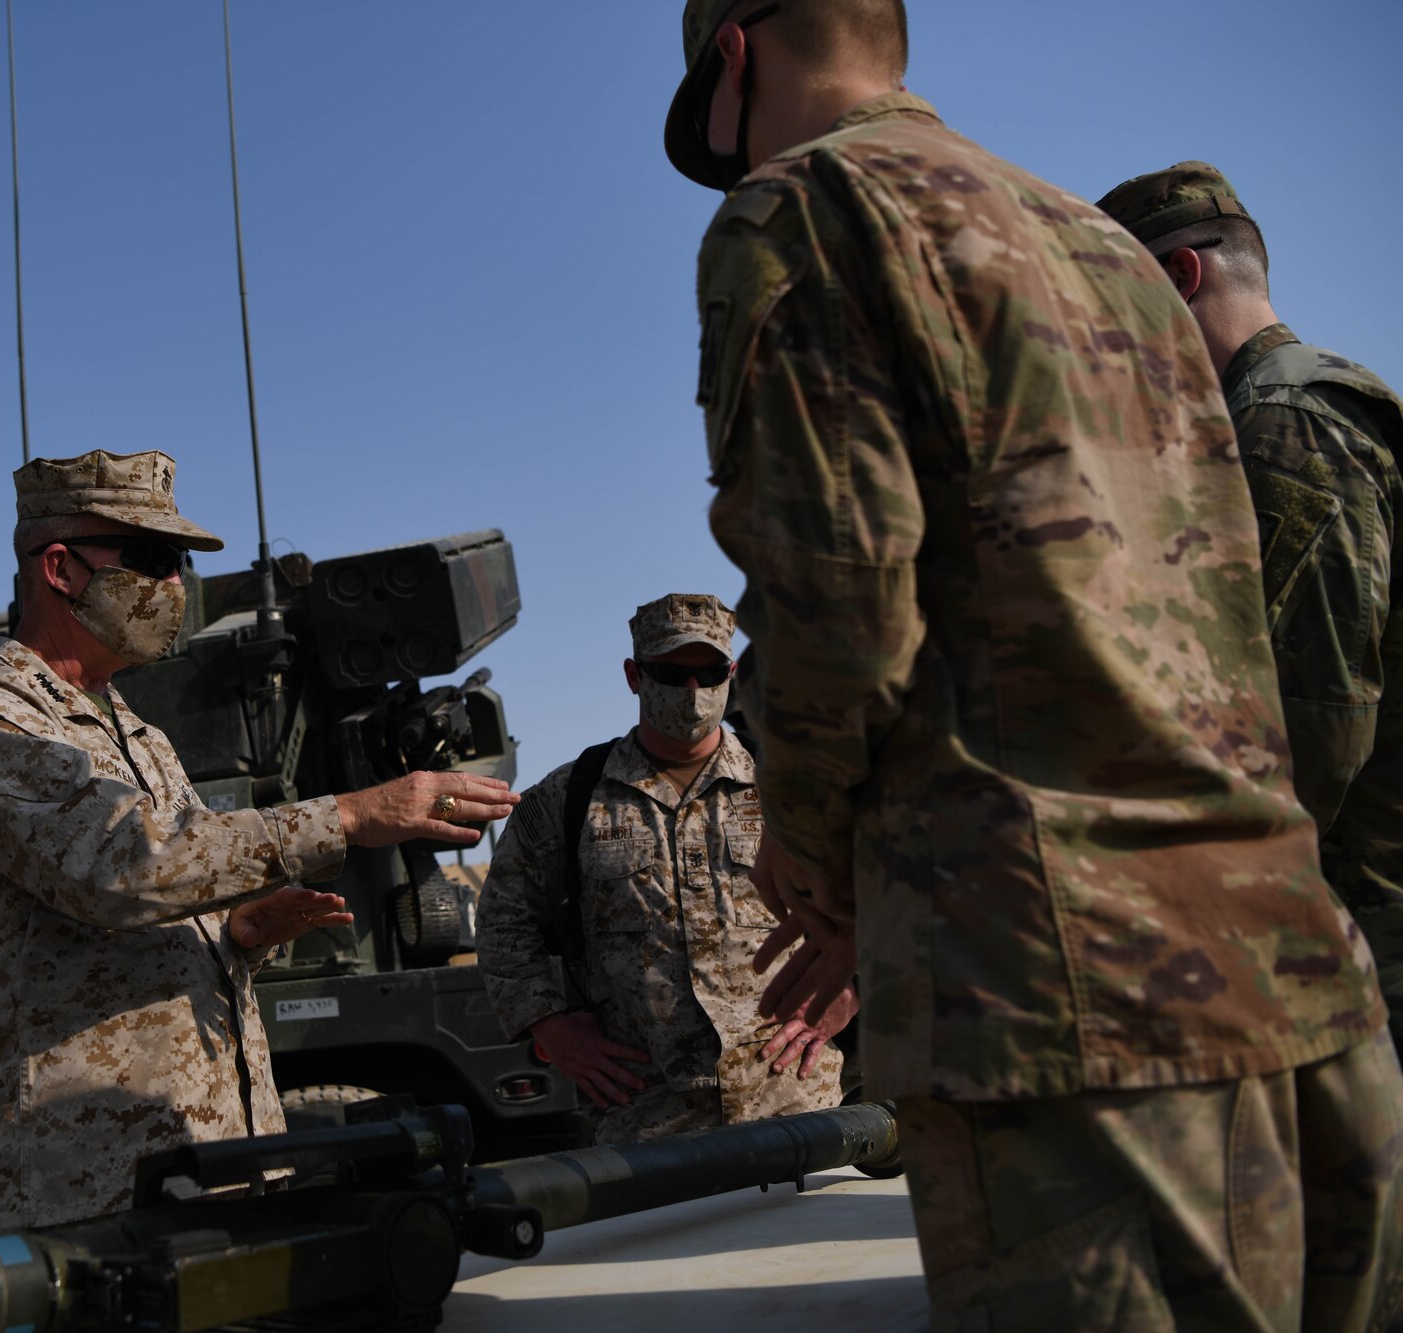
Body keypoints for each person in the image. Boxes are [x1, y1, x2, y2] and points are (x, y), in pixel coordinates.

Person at [664, 2, 1403, 1328]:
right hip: (1293, 972)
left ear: (733, 55)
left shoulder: (806, 210)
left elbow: (837, 596)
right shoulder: (1104, 250)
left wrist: (821, 867)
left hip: (1065, 1003)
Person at [0, 448, 517, 1228]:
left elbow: (158, 895)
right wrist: (351, 815)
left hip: (216, 1166)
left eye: (179, 564)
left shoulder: (139, 734)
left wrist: (239, 933)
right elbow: (128, 864)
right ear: (59, 568)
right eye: (153, 558)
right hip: (87, 1197)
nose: (174, 586)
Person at [1098, 163, 1403, 1054]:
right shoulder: (1297, 412)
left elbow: (1307, 729)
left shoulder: (1285, 425)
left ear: (1181, 278)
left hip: (1349, 948)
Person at [475, 593, 842, 1144]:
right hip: (646, 1118)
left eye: (709, 674)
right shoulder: (567, 797)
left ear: (731, 674)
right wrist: (549, 1024)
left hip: (792, 1098)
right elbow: (505, 921)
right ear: (634, 676)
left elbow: (884, 891)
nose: (693, 695)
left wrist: (854, 987)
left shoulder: (791, 784)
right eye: (671, 674)